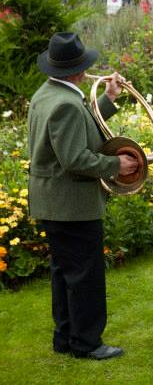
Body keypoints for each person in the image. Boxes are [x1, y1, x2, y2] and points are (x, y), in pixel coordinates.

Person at [28, 33, 140, 360]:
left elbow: (78, 127)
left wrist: (109, 98)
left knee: (64, 272)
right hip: (71, 204)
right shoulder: (65, 103)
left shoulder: (48, 93)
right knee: (85, 276)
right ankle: (87, 342)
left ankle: (65, 336)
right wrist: (115, 163)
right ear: (77, 72)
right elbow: (75, 159)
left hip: (54, 200)